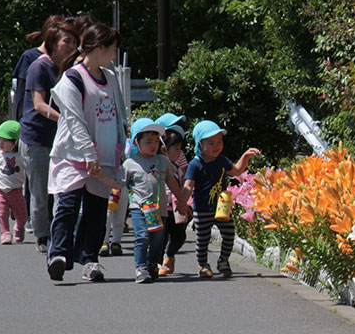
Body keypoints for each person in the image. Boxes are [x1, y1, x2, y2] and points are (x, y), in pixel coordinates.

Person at [45, 22, 126, 284]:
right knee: (67, 207)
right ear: (99, 48)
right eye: (112, 50)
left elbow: (119, 115)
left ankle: (89, 259)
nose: (114, 55)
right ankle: (57, 255)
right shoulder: (71, 79)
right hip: (73, 156)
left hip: (103, 157)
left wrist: (120, 149)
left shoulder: (110, 78)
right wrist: (88, 154)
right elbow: (74, 120)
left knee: (95, 211)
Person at [18, 21, 80, 253]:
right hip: (37, 137)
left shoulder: (71, 68)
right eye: (67, 41)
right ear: (53, 43)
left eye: (75, 42)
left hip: (62, 138)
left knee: (62, 189)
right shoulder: (39, 67)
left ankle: (61, 234)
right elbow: (39, 104)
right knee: (41, 190)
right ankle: (43, 236)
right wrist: (67, 118)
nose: (71, 46)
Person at [102, 119, 188, 283]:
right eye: (148, 141)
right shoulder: (130, 164)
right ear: (136, 142)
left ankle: (152, 264)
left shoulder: (163, 161)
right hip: (139, 209)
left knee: (158, 239)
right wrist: (101, 177)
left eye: (156, 141)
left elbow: (172, 182)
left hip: (160, 209)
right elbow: (118, 184)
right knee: (142, 237)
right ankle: (140, 268)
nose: (153, 145)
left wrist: (182, 201)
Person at [183, 120, 259, 278]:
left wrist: (245, 156)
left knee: (229, 233)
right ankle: (203, 265)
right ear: (200, 145)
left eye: (219, 141)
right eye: (211, 143)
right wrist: (182, 203)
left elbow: (237, 171)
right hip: (202, 208)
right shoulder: (195, 164)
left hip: (221, 206)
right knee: (203, 238)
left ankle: (223, 260)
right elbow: (188, 185)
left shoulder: (222, 160)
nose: (217, 146)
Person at [158, 123, 191, 276]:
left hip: (176, 207)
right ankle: (157, 263)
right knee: (161, 237)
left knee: (180, 236)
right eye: (176, 149)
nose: (179, 152)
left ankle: (168, 255)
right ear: (165, 149)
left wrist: (186, 203)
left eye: (180, 148)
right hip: (161, 207)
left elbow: (186, 183)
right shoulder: (158, 163)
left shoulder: (179, 165)